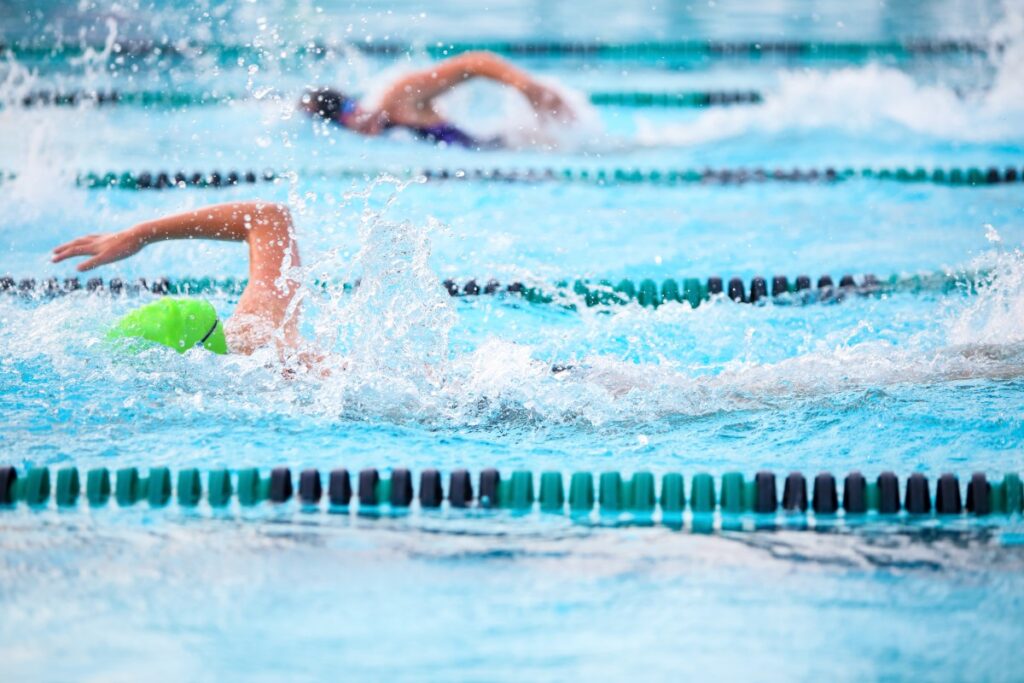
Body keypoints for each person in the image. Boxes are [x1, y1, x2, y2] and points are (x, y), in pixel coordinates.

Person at [51, 201, 301, 357]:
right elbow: (268, 217)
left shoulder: (262, 340)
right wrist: (141, 234)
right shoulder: (263, 327)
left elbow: (268, 216)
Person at [299, 51, 574, 148]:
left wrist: (525, 86)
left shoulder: (397, 98)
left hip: (508, 147)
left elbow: (473, 63)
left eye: (351, 108)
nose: (358, 121)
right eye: (345, 122)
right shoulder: (372, 143)